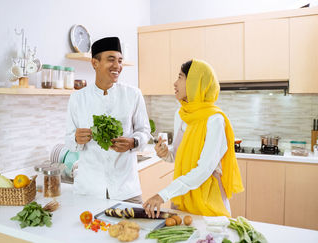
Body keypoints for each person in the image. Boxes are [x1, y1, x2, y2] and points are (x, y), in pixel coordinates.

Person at [142, 59, 244, 218]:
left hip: (207, 202)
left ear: (195, 83)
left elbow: (204, 169)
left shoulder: (214, 120)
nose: (175, 83)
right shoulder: (181, 114)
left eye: (180, 77)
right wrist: (166, 154)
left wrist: (163, 194)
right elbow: (178, 157)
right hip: (182, 199)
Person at [65, 37, 151, 204]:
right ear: (95, 63)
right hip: (88, 190)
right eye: (111, 60)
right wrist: (76, 139)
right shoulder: (77, 98)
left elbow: (144, 131)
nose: (117, 66)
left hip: (126, 190)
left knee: (131, 230)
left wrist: (133, 142)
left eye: (120, 61)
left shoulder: (133, 95)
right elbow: (69, 141)